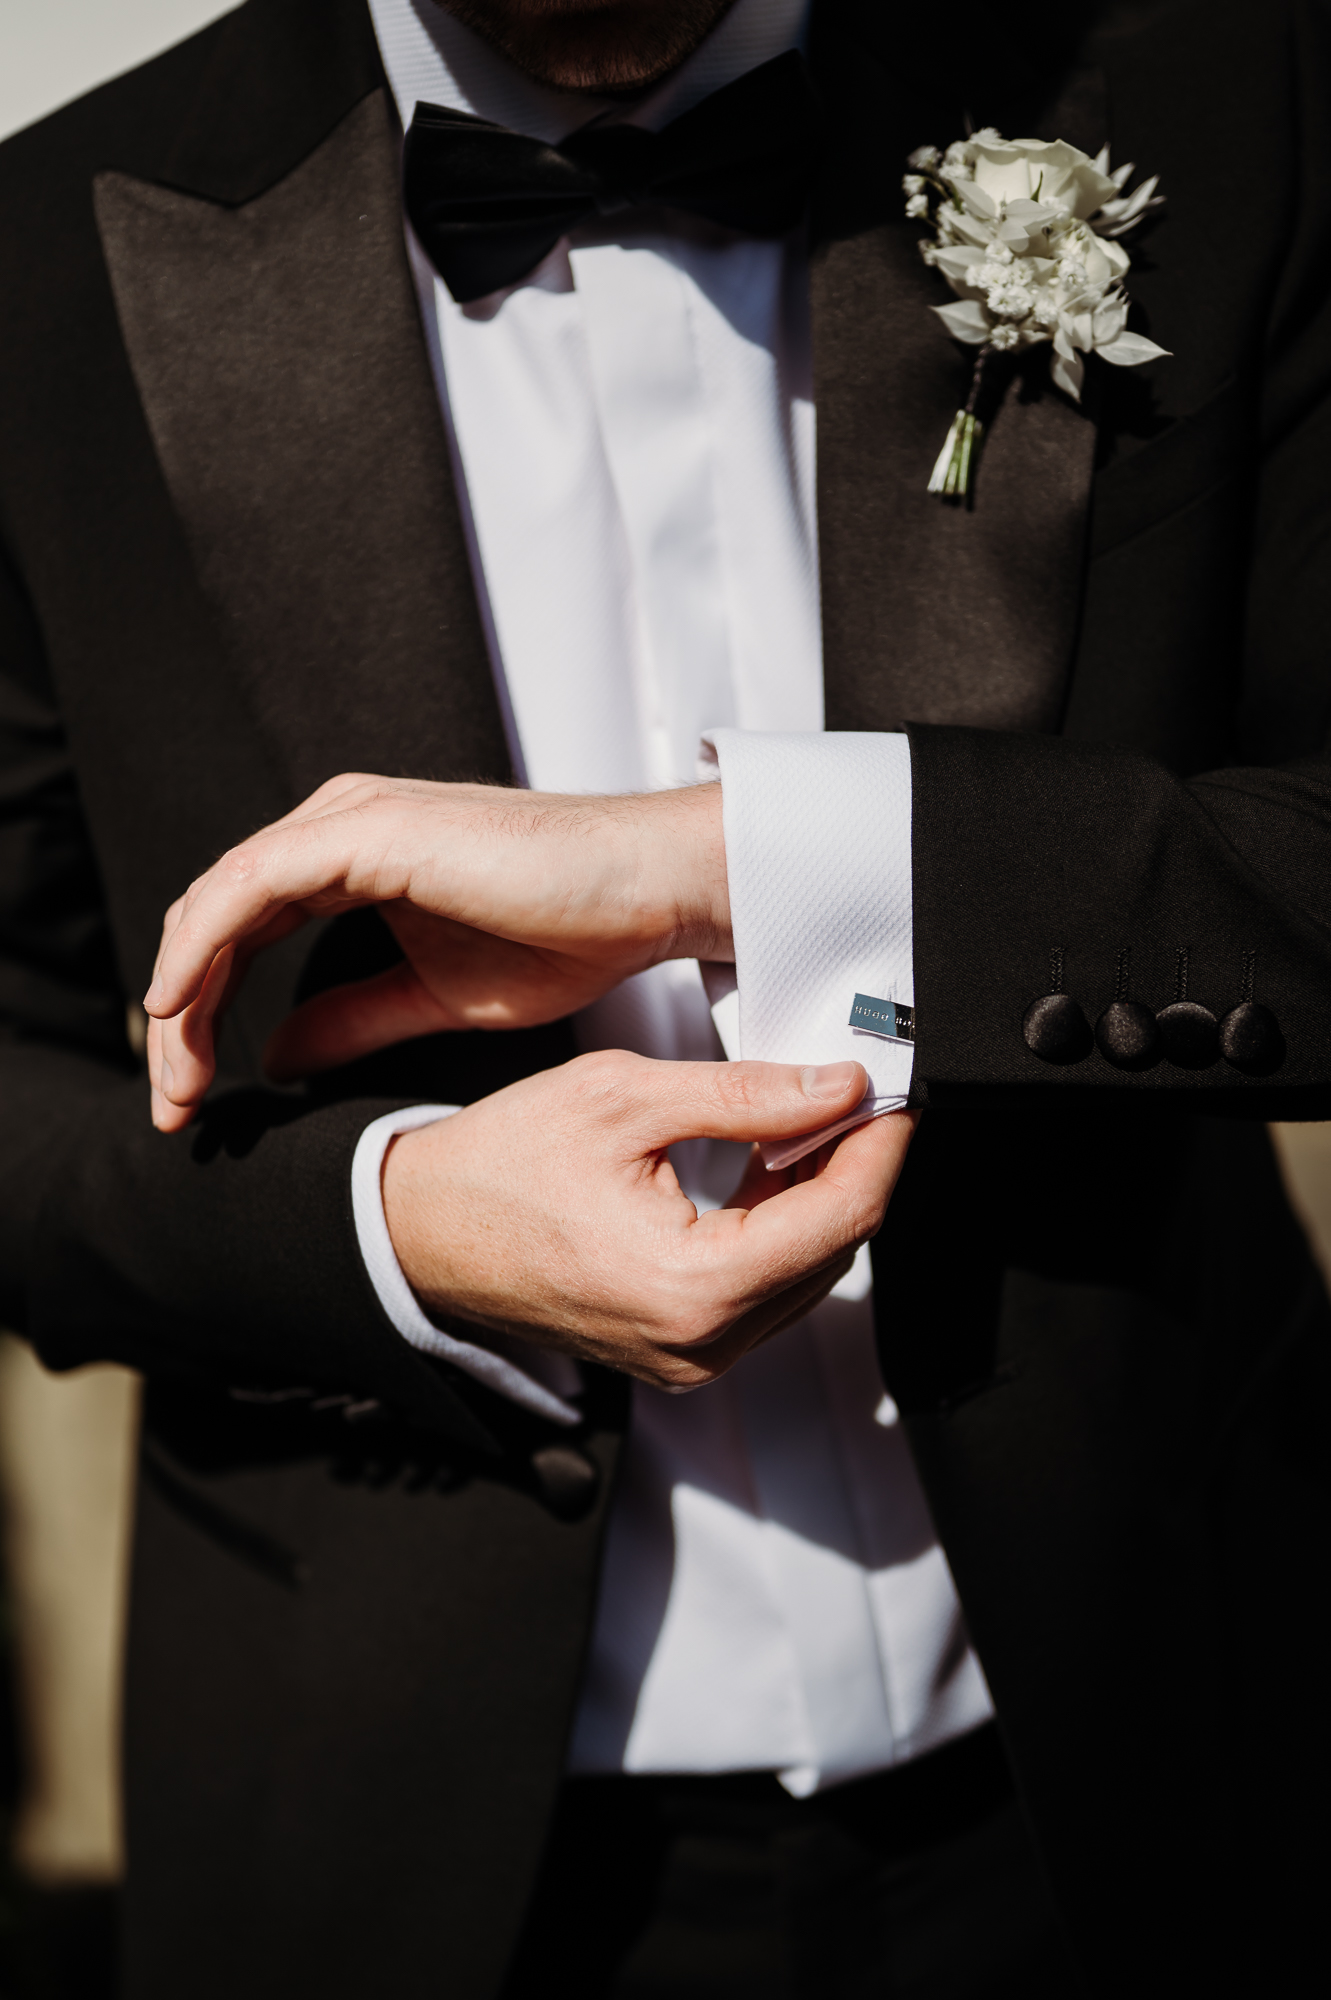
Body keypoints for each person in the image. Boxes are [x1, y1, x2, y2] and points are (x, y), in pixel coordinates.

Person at [1, 0, 1328, 1993]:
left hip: (1167, 1732)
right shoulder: (35, 257)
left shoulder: (1224, 93)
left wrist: (734, 863)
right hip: (410, 1851)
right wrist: (387, 1227)